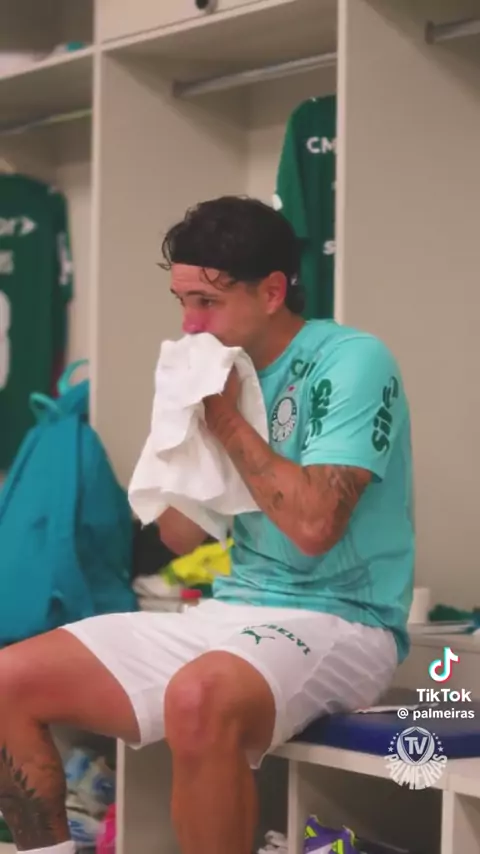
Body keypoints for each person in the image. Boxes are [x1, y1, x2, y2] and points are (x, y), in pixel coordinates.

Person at [0, 196, 414, 854]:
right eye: (182, 301)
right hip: (233, 611)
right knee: (9, 680)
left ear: (271, 291)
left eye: (207, 302)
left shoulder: (352, 361)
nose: (190, 324)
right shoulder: (216, 369)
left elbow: (314, 527)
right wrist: (181, 423)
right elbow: (179, 538)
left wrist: (222, 417)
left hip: (344, 621)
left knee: (197, 697)